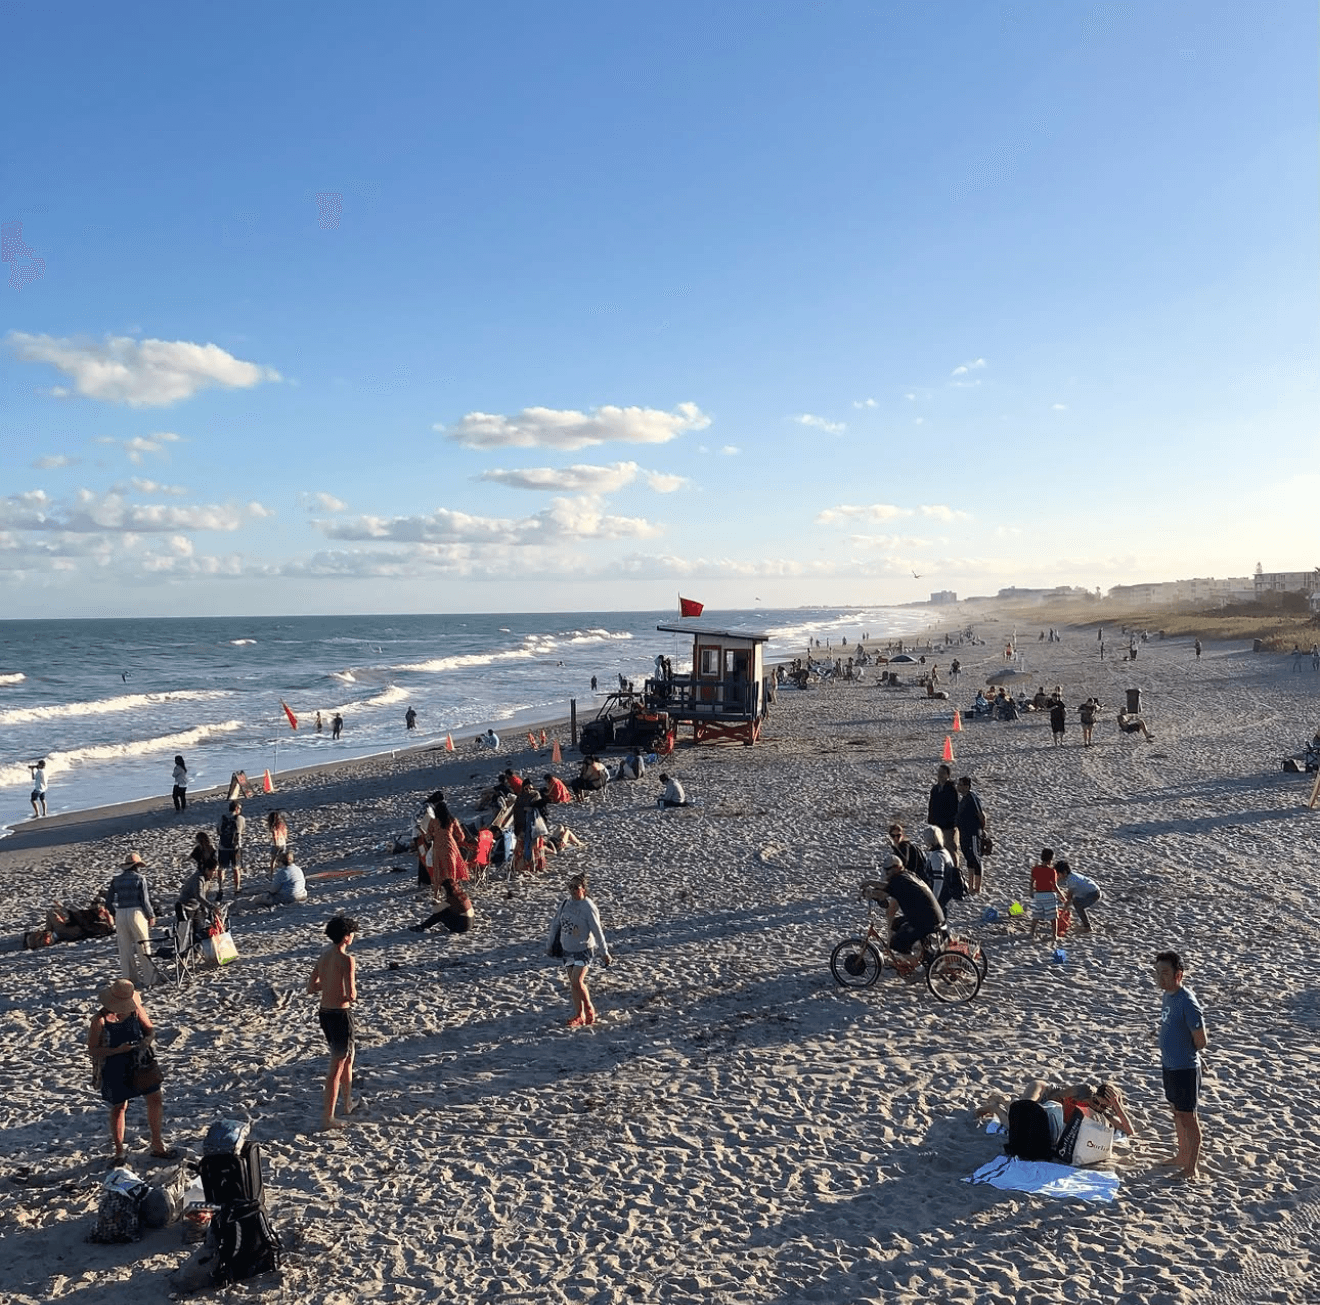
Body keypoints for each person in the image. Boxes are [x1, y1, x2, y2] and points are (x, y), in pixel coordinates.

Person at [87, 978, 177, 1166]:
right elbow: (93, 1050)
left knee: (155, 1098)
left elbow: (150, 1030)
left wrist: (146, 1042)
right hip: (115, 1066)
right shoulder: (100, 1020)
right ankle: (119, 1151)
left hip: (140, 1061)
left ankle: (157, 1144)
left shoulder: (135, 1009)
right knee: (119, 1107)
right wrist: (117, 1050)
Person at [1155, 950, 1207, 1179]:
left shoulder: (1188, 1002)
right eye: (1157, 973)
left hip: (1185, 1069)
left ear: (1179, 974)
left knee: (1188, 1117)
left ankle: (1191, 1168)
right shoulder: (1168, 996)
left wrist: (1184, 1052)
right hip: (1169, 1066)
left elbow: (1201, 1041)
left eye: (1165, 973)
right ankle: (1181, 1155)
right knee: (1177, 1113)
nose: (1160, 978)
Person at [307, 915, 358, 1130]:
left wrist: (328, 985)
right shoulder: (346, 960)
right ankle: (329, 1117)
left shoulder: (323, 956)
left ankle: (347, 1103)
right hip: (340, 1014)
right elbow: (352, 994)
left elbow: (312, 986)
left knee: (348, 1057)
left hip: (325, 1013)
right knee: (337, 1066)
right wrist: (345, 993)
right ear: (346, 937)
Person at [975, 1078, 1137, 1142]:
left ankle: (1000, 1105)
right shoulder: (1083, 1091)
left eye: (1103, 1106)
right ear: (1094, 1095)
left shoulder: (1100, 1113)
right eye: (1096, 1102)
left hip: (1048, 1109)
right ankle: (997, 1105)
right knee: (1025, 1114)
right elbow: (1055, 1098)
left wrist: (1117, 1107)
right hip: (1044, 1092)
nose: (1097, 1107)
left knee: (1025, 1124)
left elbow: (1129, 1131)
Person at [546, 873, 611, 1027]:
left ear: (583, 889)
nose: (573, 890)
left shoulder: (588, 907)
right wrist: (549, 944)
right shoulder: (565, 904)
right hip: (567, 949)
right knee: (573, 984)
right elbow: (556, 924)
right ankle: (579, 1014)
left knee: (577, 980)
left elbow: (597, 930)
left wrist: (604, 952)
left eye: (576, 887)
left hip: (583, 949)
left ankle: (589, 1008)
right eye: (570, 887)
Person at [860, 855, 945, 965]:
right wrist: (871, 883)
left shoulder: (898, 880)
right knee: (895, 924)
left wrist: (870, 893)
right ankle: (923, 953)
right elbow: (888, 887)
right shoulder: (906, 875)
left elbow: (882, 894)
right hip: (932, 915)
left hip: (926, 920)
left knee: (896, 943)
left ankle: (916, 966)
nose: (885, 873)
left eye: (887, 870)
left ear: (895, 868)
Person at [104, 853, 157, 989]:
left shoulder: (116, 880)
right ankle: (149, 978)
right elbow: (145, 901)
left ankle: (130, 979)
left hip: (121, 912)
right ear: (137, 866)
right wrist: (151, 915)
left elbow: (108, 902)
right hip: (136, 911)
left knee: (125, 948)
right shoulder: (140, 878)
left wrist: (115, 913)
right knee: (143, 945)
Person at [409, 877, 474, 934]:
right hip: (470, 922)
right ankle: (423, 926)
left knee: (440, 914)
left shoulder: (452, 898)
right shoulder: (462, 895)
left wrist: (435, 902)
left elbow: (437, 911)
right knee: (445, 911)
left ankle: (422, 927)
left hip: (462, 927)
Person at [955, 776, 986, 894]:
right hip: (964, 833)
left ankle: (977, 887)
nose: (959, 787)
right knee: (968, 858)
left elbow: (981, 815)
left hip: (973, 832)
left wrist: (981, 830)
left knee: (975, 857)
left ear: (967, 786)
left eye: (961, 785)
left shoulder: (973, 798)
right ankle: (971, 884)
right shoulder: (963, 799)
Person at [926, 763, 960, 867]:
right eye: (939, 773)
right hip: (936, 826)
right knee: (938, 851)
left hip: (948, 827)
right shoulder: (935, 789)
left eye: (943, 773)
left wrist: (951, 823)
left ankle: (955, 872)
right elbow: (931, 806)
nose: (940, 775)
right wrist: (930, 821)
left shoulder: (952, 789)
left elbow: (954, 808)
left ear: (948, 775)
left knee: (951, 850)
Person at [1055, 860, 1101, 933]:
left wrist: (1063, 912)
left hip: (1093, 894)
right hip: (1094, 890)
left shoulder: (1071, 881)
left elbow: (1069, 898)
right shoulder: (1072, 876)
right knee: (1076, 901)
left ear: (1064, 873)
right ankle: (1086, 924)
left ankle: (1087, 927)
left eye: (1058, 874)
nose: (1058, 876)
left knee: (1077, 904)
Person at [512, 784, 549, 875]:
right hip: (522, 829)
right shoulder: (520, 800)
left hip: (535, 829)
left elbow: (544, 813)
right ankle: (523, 866)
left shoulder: (536, 797)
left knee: (535, 849)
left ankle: (535, 867)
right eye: (526, 788)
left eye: (531, 788)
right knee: (523, 848)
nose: (529, 790)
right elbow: (517, 814)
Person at [921, 825, 961, 909]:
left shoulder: (937, 856)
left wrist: (934, 900)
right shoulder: (944, 851)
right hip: (946, 893)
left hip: (942, 895)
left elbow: (938, 880)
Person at [1028, 848, 1063, 941]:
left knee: (1036, 916)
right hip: (1049, 895)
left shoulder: (1035, 869)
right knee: (1053, 917)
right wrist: (1061, 894)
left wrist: (1031, 891)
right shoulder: (1052, 871)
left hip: (1038, 895)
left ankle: (1032, 933)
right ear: (1050, 859)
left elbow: (1032, 882)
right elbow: (1054, 885)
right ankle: (1054, 936)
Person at [217, 800, 246, 895]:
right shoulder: (240, 818)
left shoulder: (222, 818)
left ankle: (221, 888)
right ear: (237, 809)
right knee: (236, 868)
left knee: (222, 868)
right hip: (235, 847)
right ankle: (236, 888)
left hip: (223, 846)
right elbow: (242, 831)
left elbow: (218, 831)